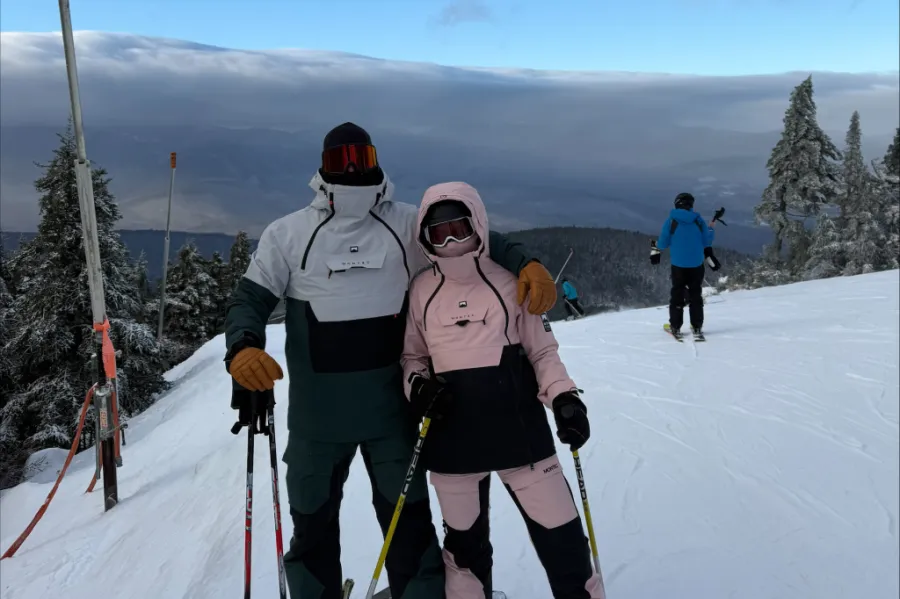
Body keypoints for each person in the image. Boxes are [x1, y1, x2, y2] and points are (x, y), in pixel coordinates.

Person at [223, 123, 559, 599]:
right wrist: (243, 346)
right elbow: (248, 302)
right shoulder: (289, 234)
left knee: (410, 527)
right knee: (313, 525)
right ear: (322, 168)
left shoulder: (405, 223)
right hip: (319, 419)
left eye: (362, 156)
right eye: (342, 161)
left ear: (378, 159)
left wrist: (524, 261)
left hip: (393, 414)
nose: (354, 169)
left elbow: (474, 236)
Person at [401, 181, 605, 599]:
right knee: (464, 555)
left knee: (565, 546)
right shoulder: (421, 288)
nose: (452, 241)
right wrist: (419, 389)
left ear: (478, 224)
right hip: (454, 447)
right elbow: (412, 359)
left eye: (460, 228)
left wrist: (564, 397)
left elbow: (542, 351)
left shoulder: (511, 279)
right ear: (425, 237)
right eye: (439, 233)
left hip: (522, 439)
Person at [650, 192, 719, 337]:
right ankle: (697, 327)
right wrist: (712, 226)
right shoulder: (698, 221)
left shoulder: (671, 221)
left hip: (678, 265)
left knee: (677, 294)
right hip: (696, 265)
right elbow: (707, 240)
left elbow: (662, 243)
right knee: (695, 294)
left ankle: (675, 327)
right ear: (691, 205)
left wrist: (655, 249)